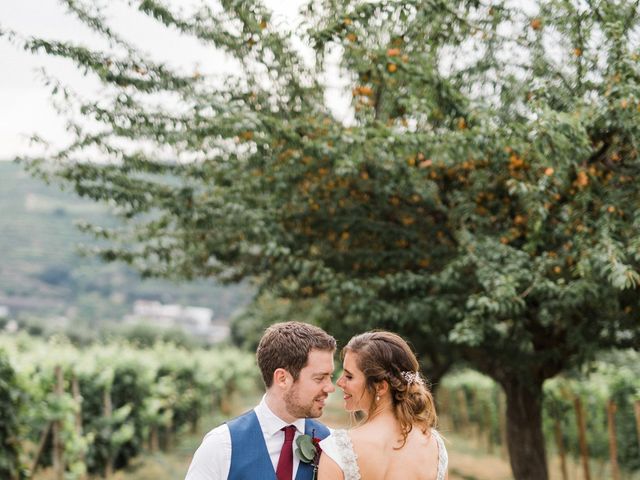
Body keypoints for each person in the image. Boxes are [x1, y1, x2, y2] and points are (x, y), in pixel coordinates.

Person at [185, 321, 336, 480]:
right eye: (320, 378)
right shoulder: (221, 445)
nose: (330, 388)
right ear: (282, 378)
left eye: (330, 377)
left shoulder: (332, 443)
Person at [318, 331, 448, 480]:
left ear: (381, 387)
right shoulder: (435, 446)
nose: (340, 383)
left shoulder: (339, 448)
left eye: (349, 376)